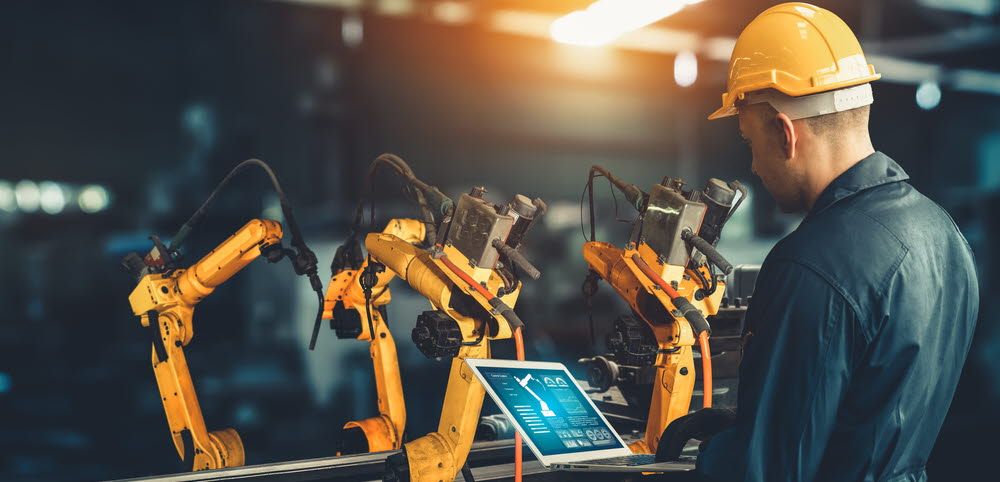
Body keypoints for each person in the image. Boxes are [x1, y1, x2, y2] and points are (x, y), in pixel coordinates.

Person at [659, 3, 980, 481]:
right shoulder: (944, 234)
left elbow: (767, 471)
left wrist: (708, 456)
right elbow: (871, 407)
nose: (753, 166)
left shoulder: (808, 264)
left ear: (786, 134)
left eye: (750, 141)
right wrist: (747, 423)